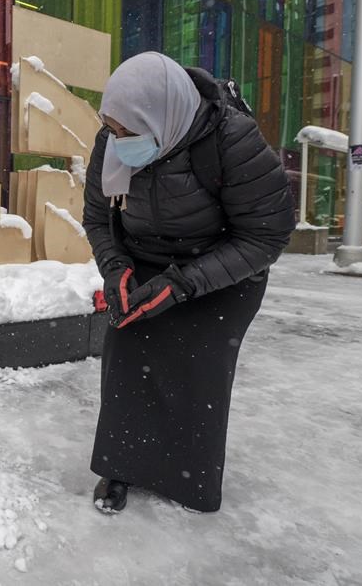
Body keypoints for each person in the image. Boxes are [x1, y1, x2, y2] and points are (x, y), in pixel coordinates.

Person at [83, 52, 295, 514]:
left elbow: (266, 235)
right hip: (145, 260)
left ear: (163, 117)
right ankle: (121, 467)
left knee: (198, 368)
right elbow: (98, 218)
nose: (117, 141)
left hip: (223, 270)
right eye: (112, 129)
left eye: (127, 133)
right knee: (126, 353)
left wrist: (183, 285)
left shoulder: (231, 140)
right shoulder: (114, 137)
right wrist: (115, 268)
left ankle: (188, 480)